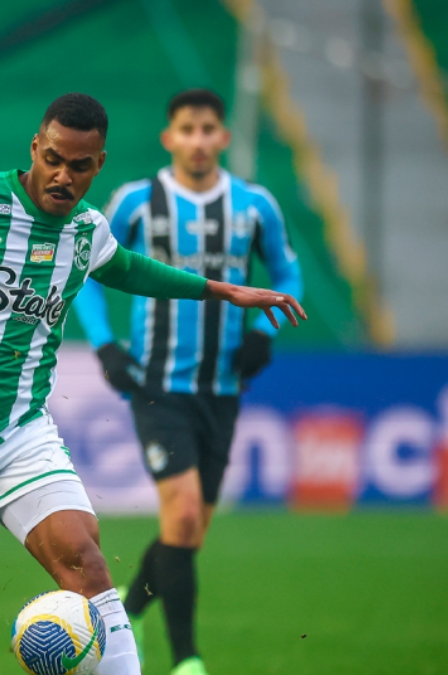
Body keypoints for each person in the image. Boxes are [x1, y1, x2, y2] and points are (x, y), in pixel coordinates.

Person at [0, 93, 304, 675]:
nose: (62, 176)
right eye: (53, 158)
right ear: (35, 149)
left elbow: (125, 267)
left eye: (79, 166)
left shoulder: (86, 229)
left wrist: (224, 290)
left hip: (21, 430)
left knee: (85, 558)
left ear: (98, 165)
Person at [71, 89, 304, 675]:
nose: (198, 140)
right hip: (157, 387)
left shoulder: (254, 206)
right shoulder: (136, 201)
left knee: (189, 530)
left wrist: (264, 333)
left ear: (222, 138)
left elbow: (287, 267)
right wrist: (104, 345)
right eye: (187, 129)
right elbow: (87, 270)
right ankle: (188, 660)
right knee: (181, 516)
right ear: (168, 138)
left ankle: (128, 611)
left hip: (222, 389)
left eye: (208, 130)